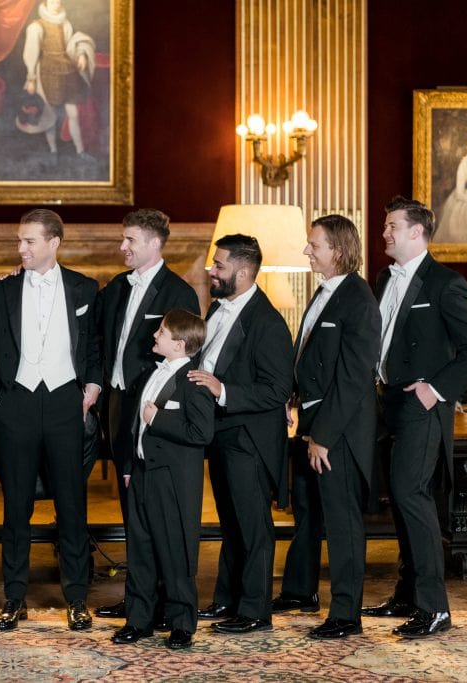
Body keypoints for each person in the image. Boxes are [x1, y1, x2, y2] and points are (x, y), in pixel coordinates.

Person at [362, 196, 467, 638]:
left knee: (411, 494)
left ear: (416, 232)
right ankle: (406, 594)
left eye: (392, 226)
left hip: (422, 405)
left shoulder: (445, 282)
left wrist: (433, 390)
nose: (384, 233)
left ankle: (435, 608)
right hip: (386, 403)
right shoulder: (385, 278)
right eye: (385, 226)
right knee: (398, 499)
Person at [0, 208, 100, 632]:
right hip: (16, 404)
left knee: (72, 505)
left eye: (29, 240)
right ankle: (14, 598)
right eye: (19, 240)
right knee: (16, 506)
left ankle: (77, 598)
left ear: (54, 242)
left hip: (66, 403)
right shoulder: (0, 291)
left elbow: (95, 347)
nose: (21, 248)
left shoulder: (85, 287)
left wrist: (92, 387)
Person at [271, 215, 382, 640]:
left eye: (313, 244)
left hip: (339, 431)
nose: (307, 251)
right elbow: (313, 357)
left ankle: (346, 614)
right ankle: (301, 592)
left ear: (337, 250)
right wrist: (293, 394)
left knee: (342, 521)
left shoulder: (358, 298)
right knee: (307, 512)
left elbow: (353, 379)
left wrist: (323, 437)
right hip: (313, 421)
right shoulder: (325, 291)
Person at [94, 208, 199, 621]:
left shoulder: (179, 292)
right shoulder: (117, 287)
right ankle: (139, 597)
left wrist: (159, 412)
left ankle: (165, 600)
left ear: (155, 243)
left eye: (130, 240)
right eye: (123, 238)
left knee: (160, 510)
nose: (122, 246)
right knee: (131, 503)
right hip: (117, 406)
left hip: (155, 409)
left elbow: (185, 363)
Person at [188, 234, 292, 634]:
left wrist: (223, 390)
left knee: (253, 527)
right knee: (230, 523)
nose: (212, 271)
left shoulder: (268, 322)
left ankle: (255, 611)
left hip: (249, 438)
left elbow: (277, 389)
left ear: (244, 271)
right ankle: (227, 599)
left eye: (220, 265)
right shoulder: (217, 307)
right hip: (220, 432)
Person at [111, 309, 214, 651]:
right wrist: (129, 466)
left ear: (179, 344)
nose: (154, 335)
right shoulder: (149, 375)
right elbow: (133, 427)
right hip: (142, 474)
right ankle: (138, 620)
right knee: (139, 550)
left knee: (175, 552)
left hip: (172, 481)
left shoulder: (195, 382)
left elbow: (202, 432)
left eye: (162, 332)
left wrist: (159, 419)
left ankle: (182, 623)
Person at [21, 0, 96, 157]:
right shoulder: (36, 27)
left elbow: (73, 43)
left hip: (68, 72)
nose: (57, 4)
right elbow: (31, 53)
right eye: (53, 1)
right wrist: (31, 78)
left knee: (73, 114)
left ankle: (80, 151)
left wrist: (81, 54)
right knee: (50, 115)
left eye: (59, 1)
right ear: (45, 3)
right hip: (48, 73)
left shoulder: (65, 23)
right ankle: (53, 151)